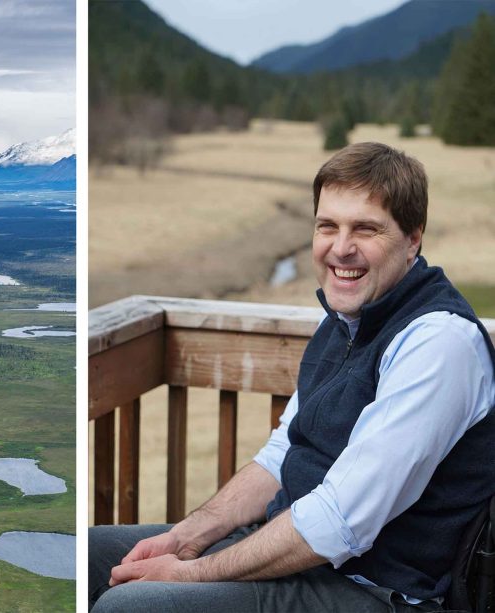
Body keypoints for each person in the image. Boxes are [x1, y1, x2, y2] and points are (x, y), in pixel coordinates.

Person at [89, 142, 495, 613]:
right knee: (85, 556)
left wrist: (190, 572)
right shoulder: (347, 322)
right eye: (328, 226)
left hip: (377, 590)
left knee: (135, 606)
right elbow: (282, 454)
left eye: (366, 228)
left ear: (413, 239)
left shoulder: (438, 344)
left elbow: (341, 521)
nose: (341, 248)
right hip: (305, 557)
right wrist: (185, 536)